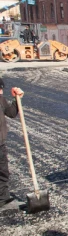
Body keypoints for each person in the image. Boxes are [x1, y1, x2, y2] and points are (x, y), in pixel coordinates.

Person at [0, 79, 23, 209]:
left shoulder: (1, 100)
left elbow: (11, 113)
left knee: (3, 172)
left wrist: (17, 100)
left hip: (0, 144)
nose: (2, 92)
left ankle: (3, 200)